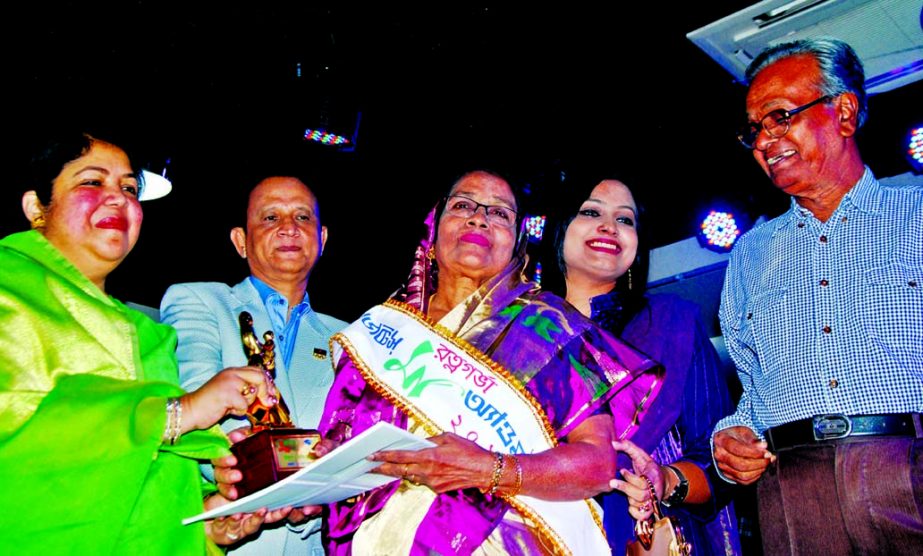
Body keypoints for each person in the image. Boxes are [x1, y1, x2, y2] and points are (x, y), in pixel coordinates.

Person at [313, 168, 664, 555]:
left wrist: (486, 469)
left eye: (499, 213)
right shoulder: (379, 331)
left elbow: (597, 465)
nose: (479, 217)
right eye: (463, 205)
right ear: (433, 230)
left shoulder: (552, 327)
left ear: (517, 245)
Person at [0, 131, 287, 554]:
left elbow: (134, 490)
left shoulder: (149, 337)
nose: (118, 198)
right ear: (36, 207)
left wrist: (206, 525)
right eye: (92, 182)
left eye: (129, 188)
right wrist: (178, 413)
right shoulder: (9, 290)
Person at [712, 37, 923, 554]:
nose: (764, 141)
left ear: (844, 112)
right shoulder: (748, 254)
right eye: (755, 129)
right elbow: (754, 388)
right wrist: (732, 439)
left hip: (910, 464)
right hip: (793, 490)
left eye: (779, 116)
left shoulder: (917, 214)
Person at [536, 169, 741, 555]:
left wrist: (664, 479)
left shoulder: (673, 324)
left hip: (642, 537)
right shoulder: (517, 332)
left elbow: (719, 458)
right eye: (591, 212)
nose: (609, 226)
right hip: (532, 533)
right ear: (561, 229)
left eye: (625, 219)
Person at [161, 174, 348, 556]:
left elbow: (349, 438)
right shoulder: (199, 301)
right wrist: (230, 467)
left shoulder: (350, 338)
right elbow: (194, 399)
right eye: (269, 218)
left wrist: (326, 491)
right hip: (224, 536)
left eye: (302, 217)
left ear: (322, 239)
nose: (288, 228)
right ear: (240, 242)